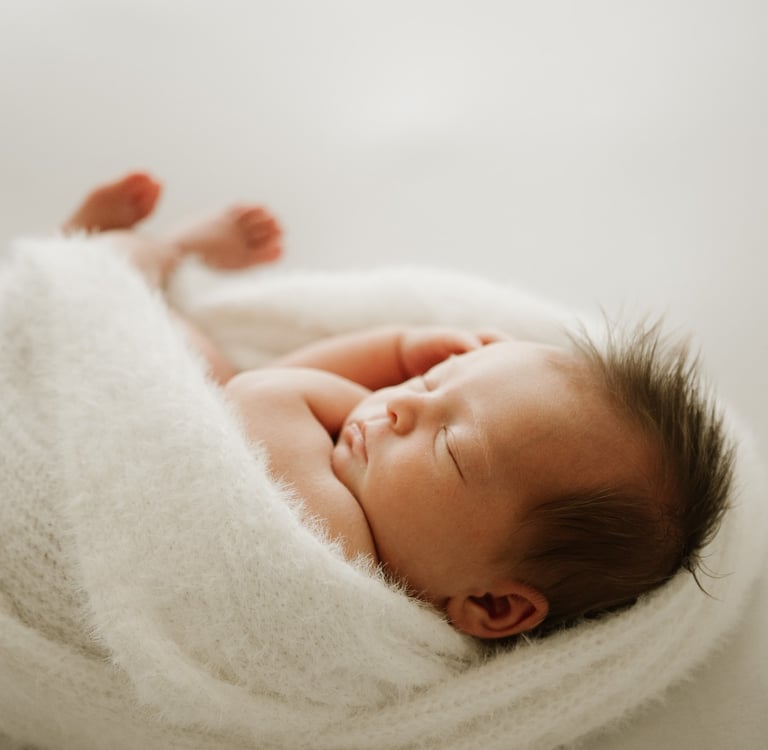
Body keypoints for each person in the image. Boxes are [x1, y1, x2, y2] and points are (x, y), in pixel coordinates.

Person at [62, 172, 735, 641]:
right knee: (191, 365)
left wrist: (393, 357)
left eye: (449, 446)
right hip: (148, 422)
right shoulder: (360, 485)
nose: (398, 410)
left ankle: (122, 256)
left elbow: (262, 392)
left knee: (200, 367)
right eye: (428, 382)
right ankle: (146, 257)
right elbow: (270, 388)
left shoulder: (341, 571)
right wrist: (404, 349)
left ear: (493, 603)